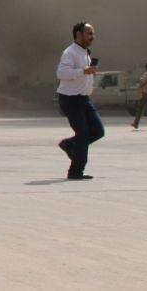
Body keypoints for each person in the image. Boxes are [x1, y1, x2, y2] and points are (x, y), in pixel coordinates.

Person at [56, 22, 105, 181]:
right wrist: (83, 71)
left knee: (98, 131)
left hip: (83, 98)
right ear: (78, 34)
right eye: (89, 33)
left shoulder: (85, 53)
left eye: (93, 33)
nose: (92, 36)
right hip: (70, 98)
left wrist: (87, 73)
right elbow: (61, 73)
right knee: (83, 134)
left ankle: (69, 145)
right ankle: (75, 172)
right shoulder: (70, 52)